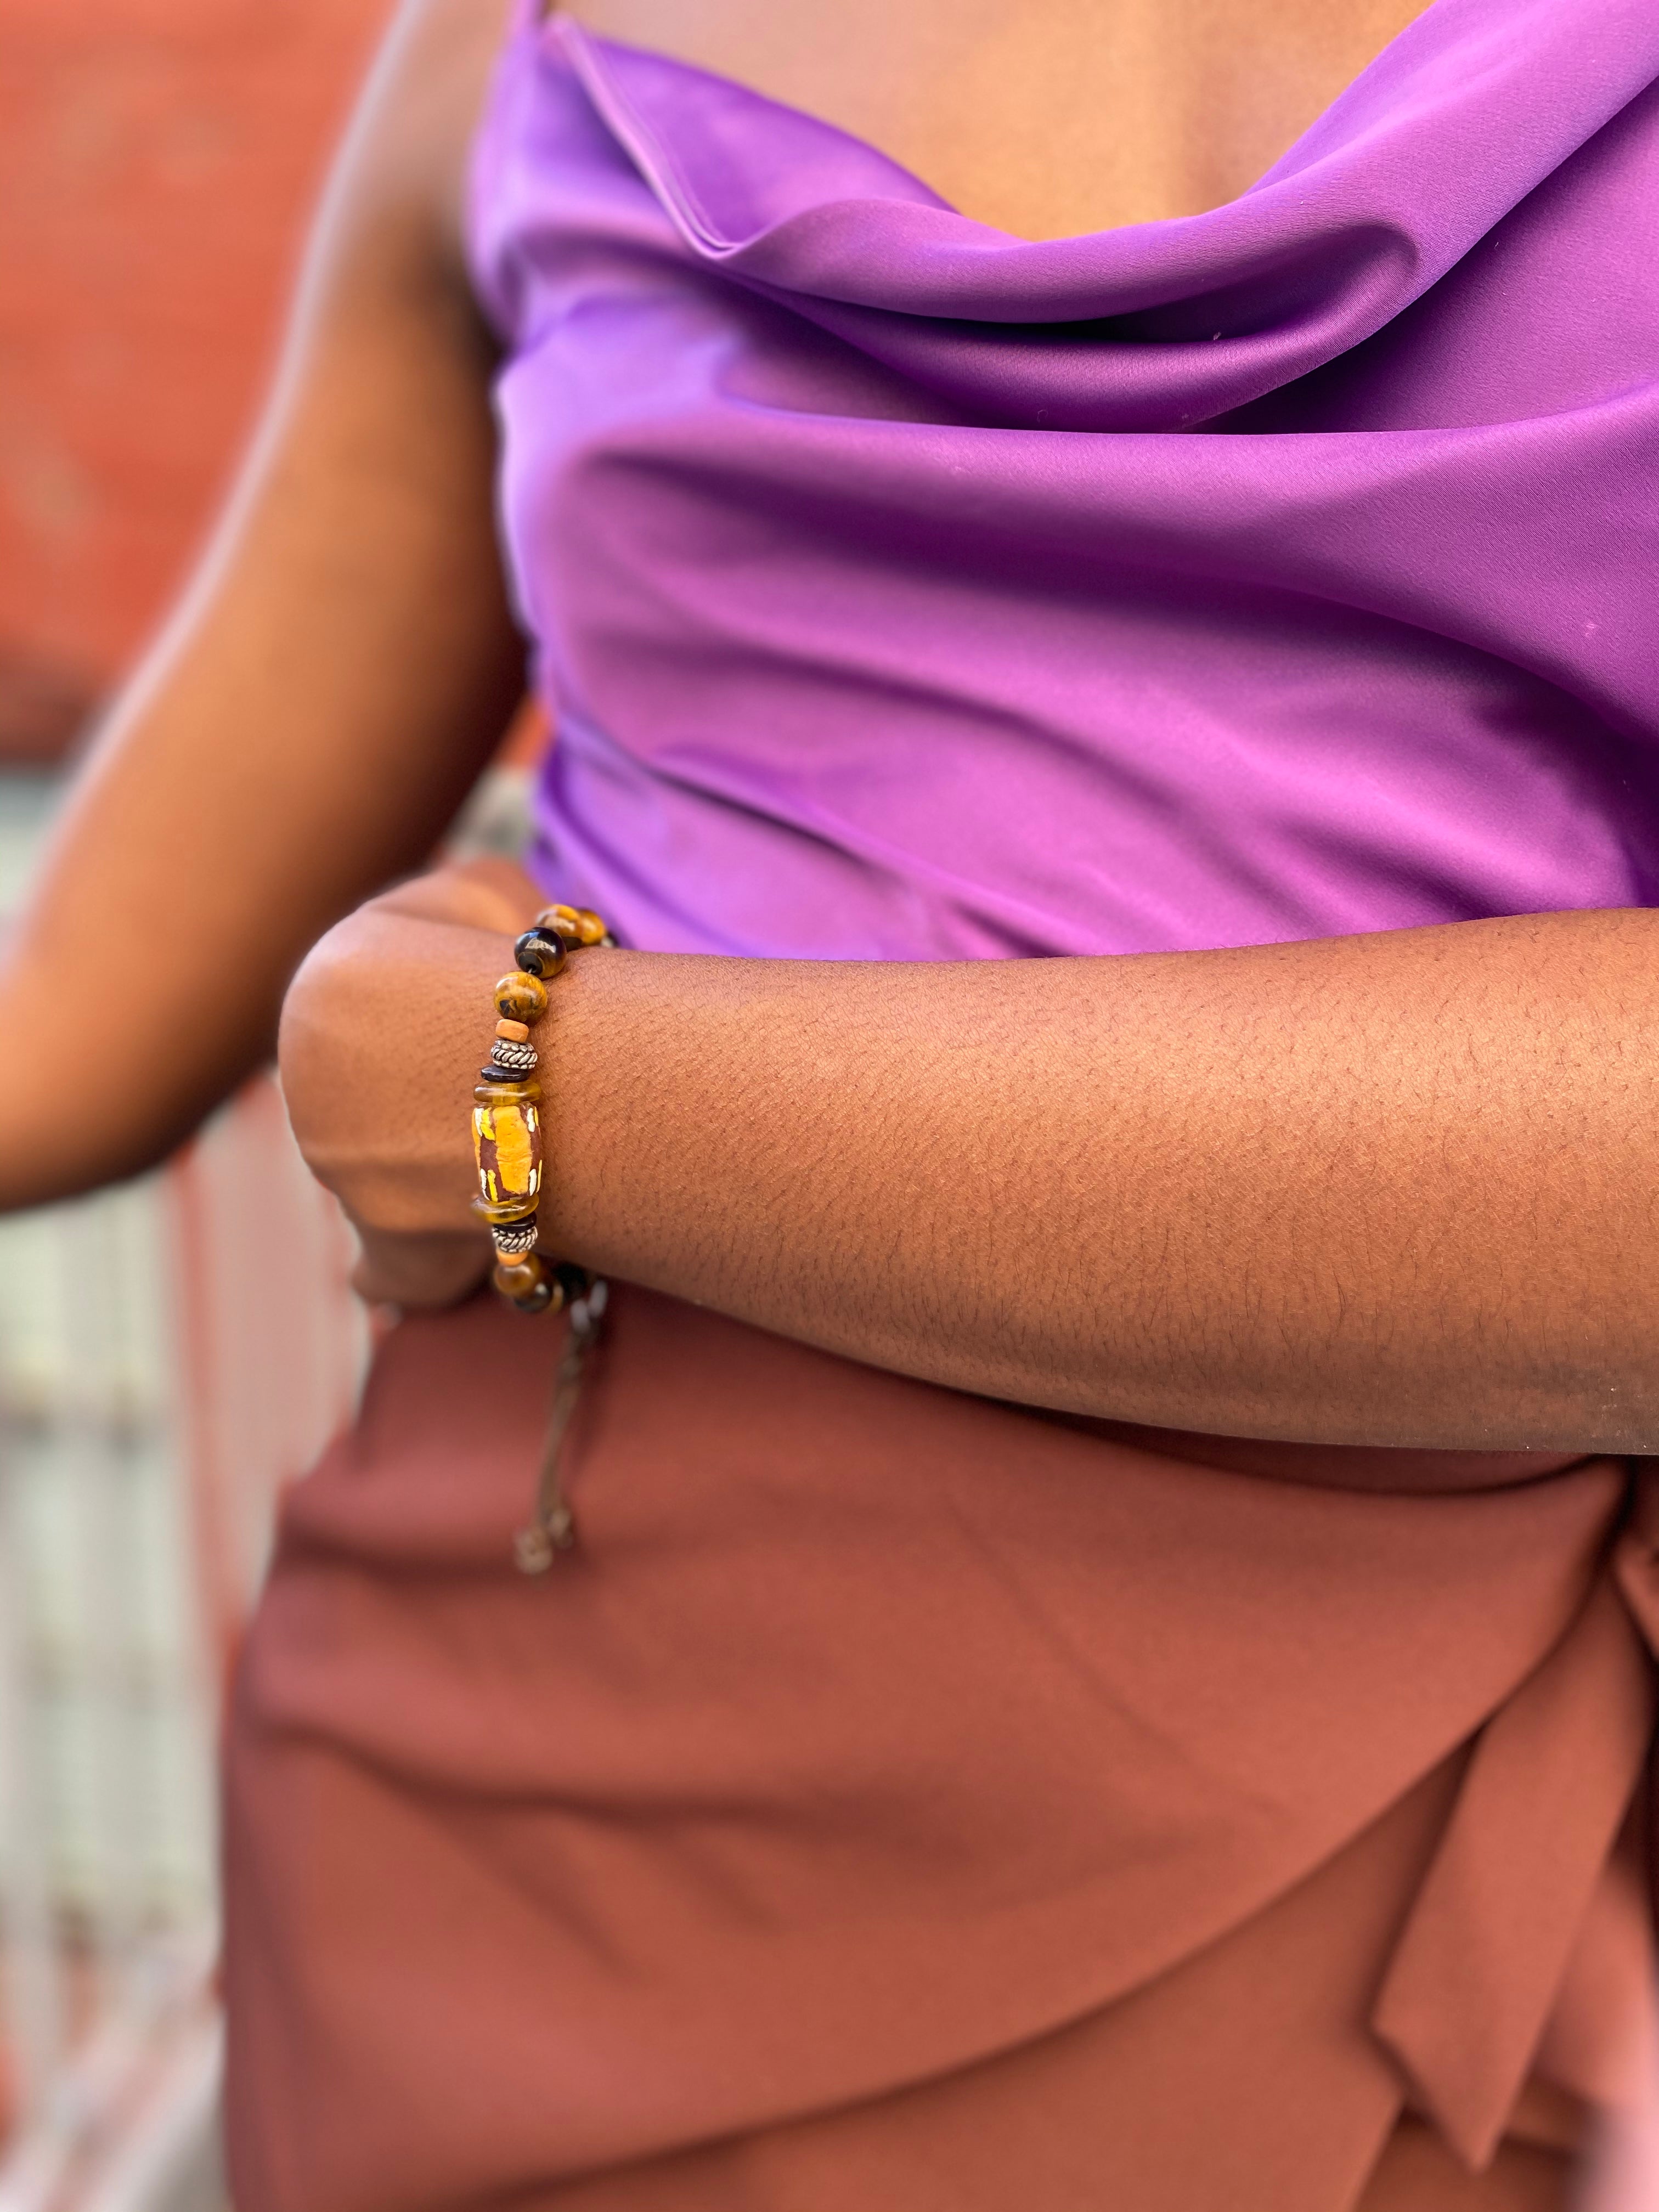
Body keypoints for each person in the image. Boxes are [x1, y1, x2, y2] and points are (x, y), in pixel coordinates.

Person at [2, 0, 1657, 2202]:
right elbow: (63, 1033)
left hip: (1348, 1915)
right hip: (503, 1867)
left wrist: (545, 1086)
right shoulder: (512, 66)